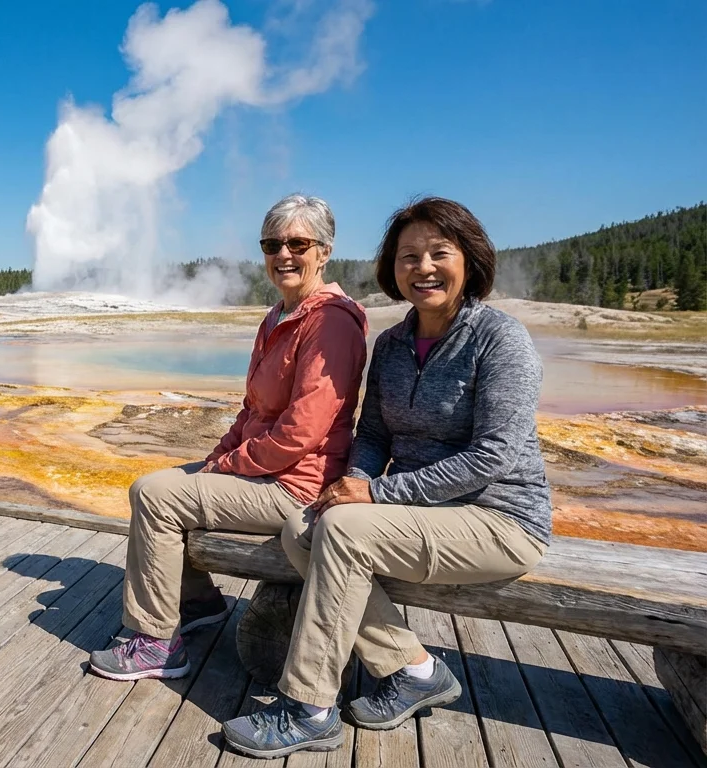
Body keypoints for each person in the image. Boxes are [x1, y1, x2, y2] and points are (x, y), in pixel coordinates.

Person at [222, 197, 553, 760]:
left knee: (344, 535)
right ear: (392, 269)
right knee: (306, 526)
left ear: (468, 261)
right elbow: (372, 433)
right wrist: (350, 485)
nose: (422, 267)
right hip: (422, 513)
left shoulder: (500, 339)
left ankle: (309, 708)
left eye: (437, 253)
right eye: (408, 256)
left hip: (499, 517)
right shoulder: (394, 345)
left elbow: (494, 455)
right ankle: (415, 668)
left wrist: (376, 493)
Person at [87, 194, 369, 682]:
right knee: (164, 481)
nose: (284, 253)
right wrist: (217, 457)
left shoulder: (331, 322)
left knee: (153, 496)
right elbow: (252, 409)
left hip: (298, 487)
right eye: (272, 243)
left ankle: (156, 643)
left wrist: (230, 465)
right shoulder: (277, 316)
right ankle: (198, 602)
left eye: (298, 243)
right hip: (264, 474)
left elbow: (302, 430)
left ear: (324, 251)